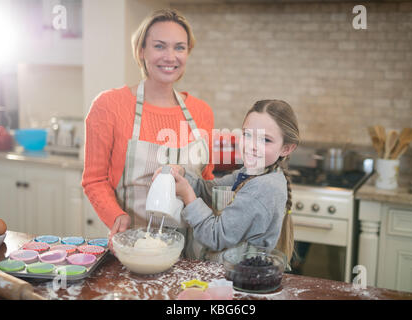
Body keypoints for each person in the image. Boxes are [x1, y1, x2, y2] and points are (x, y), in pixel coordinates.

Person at [81, 9, 215, 251]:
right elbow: (94, 179)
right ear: (142, 51)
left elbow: (206, 180)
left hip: (196, 252)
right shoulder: (109, 106)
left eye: (179, 48)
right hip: (135, 247)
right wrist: (115, 216)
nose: (170, 56)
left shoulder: (202, 111)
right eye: (160, 46)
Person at [156, 99, 300, 262]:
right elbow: (210, 190)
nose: (252, 145)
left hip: (242, 280)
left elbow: (215, 236)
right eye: (247, 135)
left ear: (286, 148)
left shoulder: (263, 188)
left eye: (265, 140)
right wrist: (182, 173)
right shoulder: (252, 172)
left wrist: (188, 195)